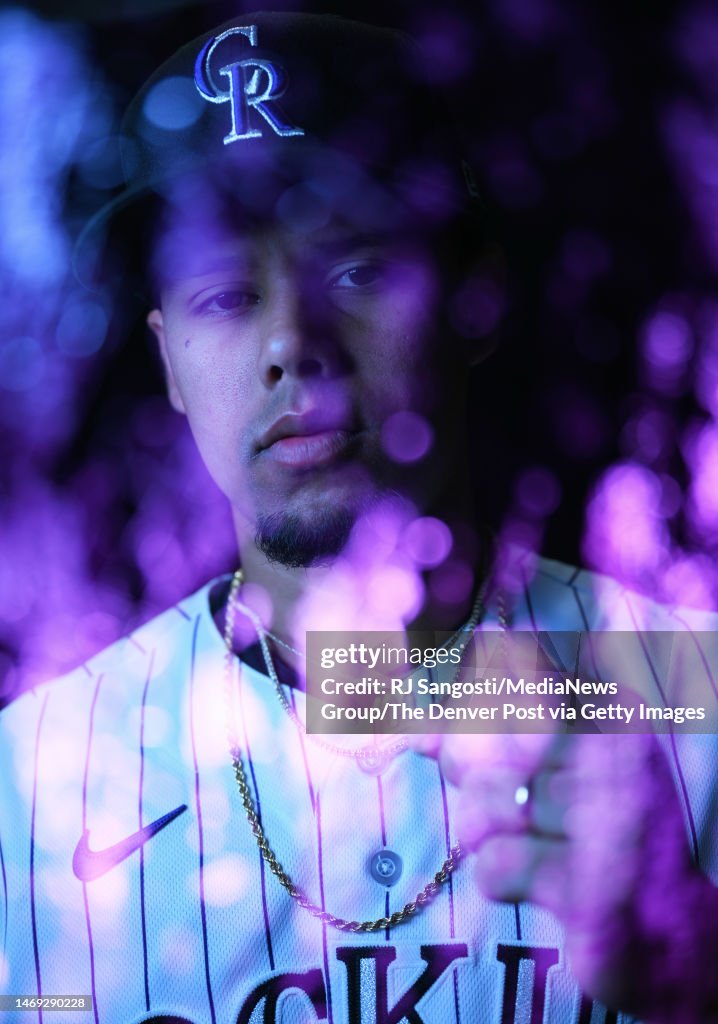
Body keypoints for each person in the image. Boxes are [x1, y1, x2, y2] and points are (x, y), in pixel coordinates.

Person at [1, 11, 717, 1024]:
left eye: (357, 268)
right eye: (224, 295)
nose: (296, 341)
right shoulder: (31, 774)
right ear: (164, 358)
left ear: (474, 297)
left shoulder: (696, 696)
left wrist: (692, 964)